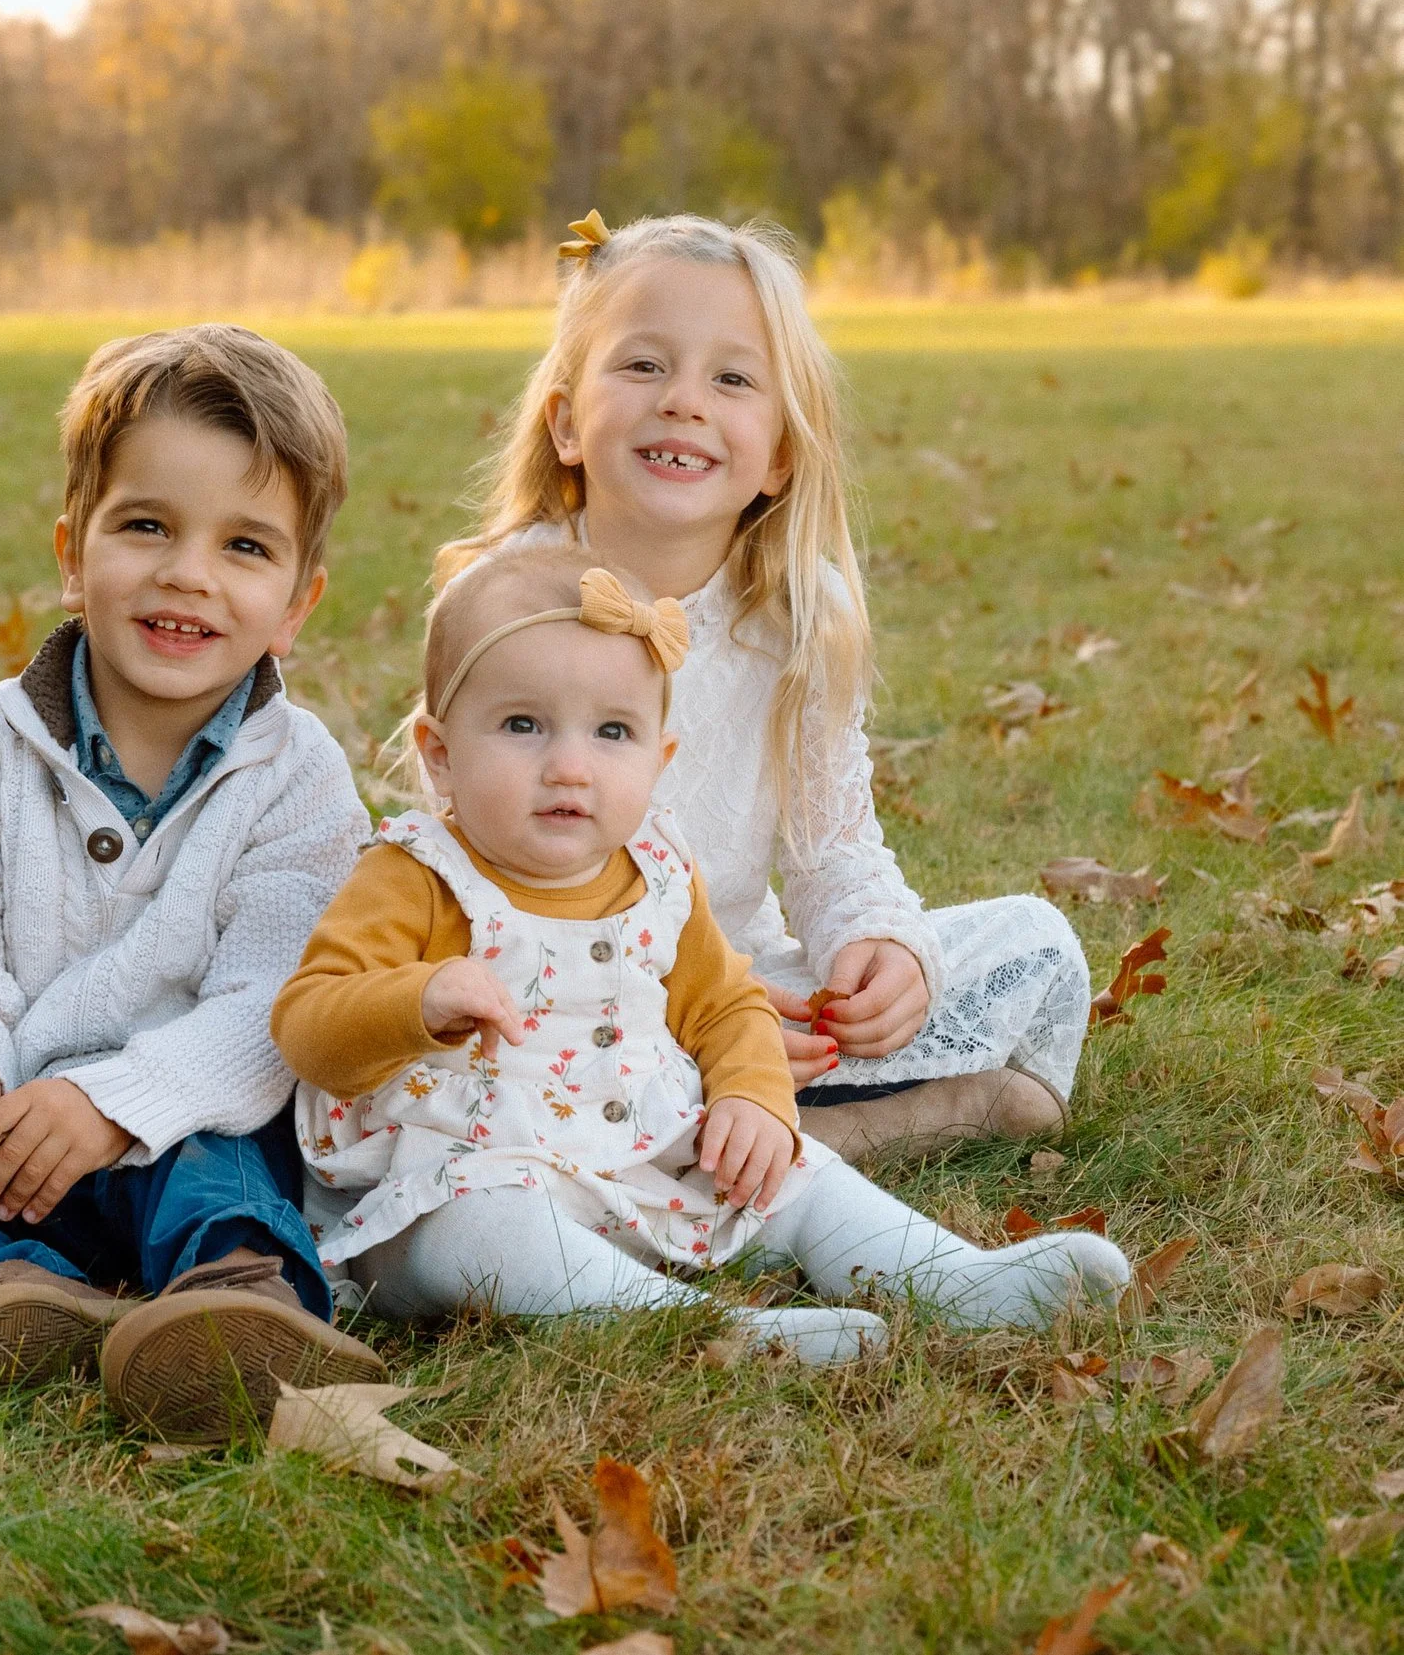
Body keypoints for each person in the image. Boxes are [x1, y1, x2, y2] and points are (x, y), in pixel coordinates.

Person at [271, 546, 1129, 1355]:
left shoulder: (656, 870)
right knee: (484, 1229)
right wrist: (414, 999)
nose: (571, 766)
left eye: (612, 733)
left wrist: (756, 1097)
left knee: (799, 1174)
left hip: (642, 1156)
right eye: (524, 725)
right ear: (440, 752)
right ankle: (697, 1326)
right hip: (456, 1178)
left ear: (659, 758)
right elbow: (307, 1023)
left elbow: (726, 1004)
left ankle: (949, 1278)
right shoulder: (417, 874)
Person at [0, 324, 382, 1442]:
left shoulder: (300, 781)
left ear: (299, 603)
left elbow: (269, 1008)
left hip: (183, 1124)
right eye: (146, 526)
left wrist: (118, 1107)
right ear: (73, 552)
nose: (186, 574)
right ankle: (13, 1298)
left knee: (226, 1164)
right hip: (4, 1144)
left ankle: (234, 1309)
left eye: (245, 548)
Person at [442, 210, 1095, 1165]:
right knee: (446, 1042)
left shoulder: (794, 616)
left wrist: (879, 951)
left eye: (733, 379)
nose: (684, 402)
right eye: (643, 365)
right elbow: (460, 877)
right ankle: (845, 1130)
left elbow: (832, 850)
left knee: (1033, 944)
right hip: (557, 985)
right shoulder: (503, 599)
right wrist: (687, 1016)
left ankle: (763, 1115)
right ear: (567, 420)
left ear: (781, 453)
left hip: (751, 977)